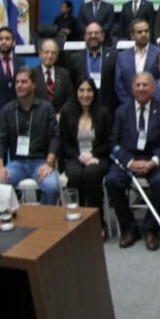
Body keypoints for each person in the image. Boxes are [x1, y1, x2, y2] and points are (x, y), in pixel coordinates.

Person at [105, 72, 160, 250]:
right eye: (138, 85)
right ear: (132, 88)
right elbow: (113, 142)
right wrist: (129, 163)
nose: (141, 88)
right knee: (112, 181)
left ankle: (151, 229)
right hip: (128, 159)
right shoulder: (121, 111)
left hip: (153, 158)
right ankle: (129, 227)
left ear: (153, 88)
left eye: (145, 85)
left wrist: (154, 161)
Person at [0, 67, 60, 205]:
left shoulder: (46, 108)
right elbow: (0, 140)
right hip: (17, 163)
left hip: (41, 162)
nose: (19, 85)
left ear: (34, 84)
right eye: (17, 82)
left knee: (52, 187)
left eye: (24, 82)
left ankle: (46, 222)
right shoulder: (8, 110)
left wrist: (49, 163)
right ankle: (13, 219)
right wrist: (0, 167)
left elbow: (55, 137)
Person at [59, 76, 112, 236]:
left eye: (89, 90)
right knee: (75, 174)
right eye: (81, 90)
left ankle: (97, 221)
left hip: (99, 157)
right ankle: (77, 220)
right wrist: (78, 155)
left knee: (91, 173)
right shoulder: (67, 113)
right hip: (75, 157)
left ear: (94, 93)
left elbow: (109, 143)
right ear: (76, 92)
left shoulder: (104, 113)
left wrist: (93, 154)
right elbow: (65, 144)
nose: (85, 94)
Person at [68, 22, 117, 111]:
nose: (93, 36)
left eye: (96, 33)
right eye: (89, 33)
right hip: (82, 109)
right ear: (85, 37)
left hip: (108, 109)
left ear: (102, 36)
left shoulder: (114, 56)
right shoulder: (75, 58)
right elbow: (71, 85)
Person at [114, 19, 160, 104]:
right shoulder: (122, 56)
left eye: (146, 31)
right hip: (128, 105)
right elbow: (118, 84)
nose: (144, 34)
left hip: (154, 104)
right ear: (132, 35)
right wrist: (129, 104)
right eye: (139, 32)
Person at [32, 38, 72, 114]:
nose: (50, 56)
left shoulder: (64, 74)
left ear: (57, 56)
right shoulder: (32, 74)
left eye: (53, 53)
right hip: (38, 118)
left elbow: (70, 99)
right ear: (40, 54)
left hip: (60, 119)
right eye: (46, 52)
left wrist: (61, 115)